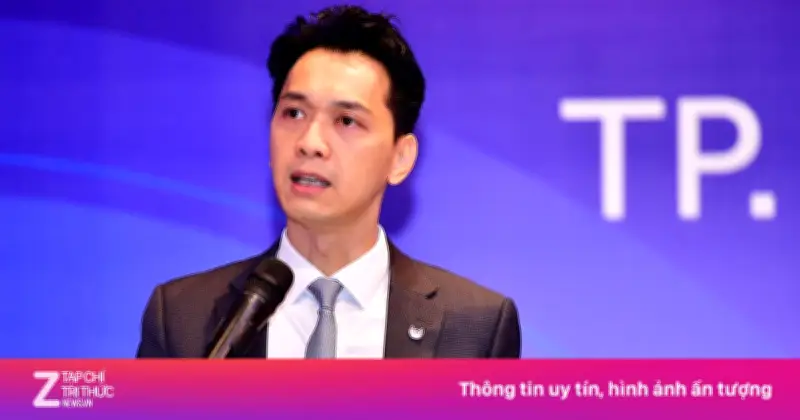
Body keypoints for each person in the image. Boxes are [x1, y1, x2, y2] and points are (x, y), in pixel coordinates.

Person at [136, 5, 521, 359]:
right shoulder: (183, 316)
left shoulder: (474, 328)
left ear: (400, 158)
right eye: (294, 113)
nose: (310, 142)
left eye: (346, 121)